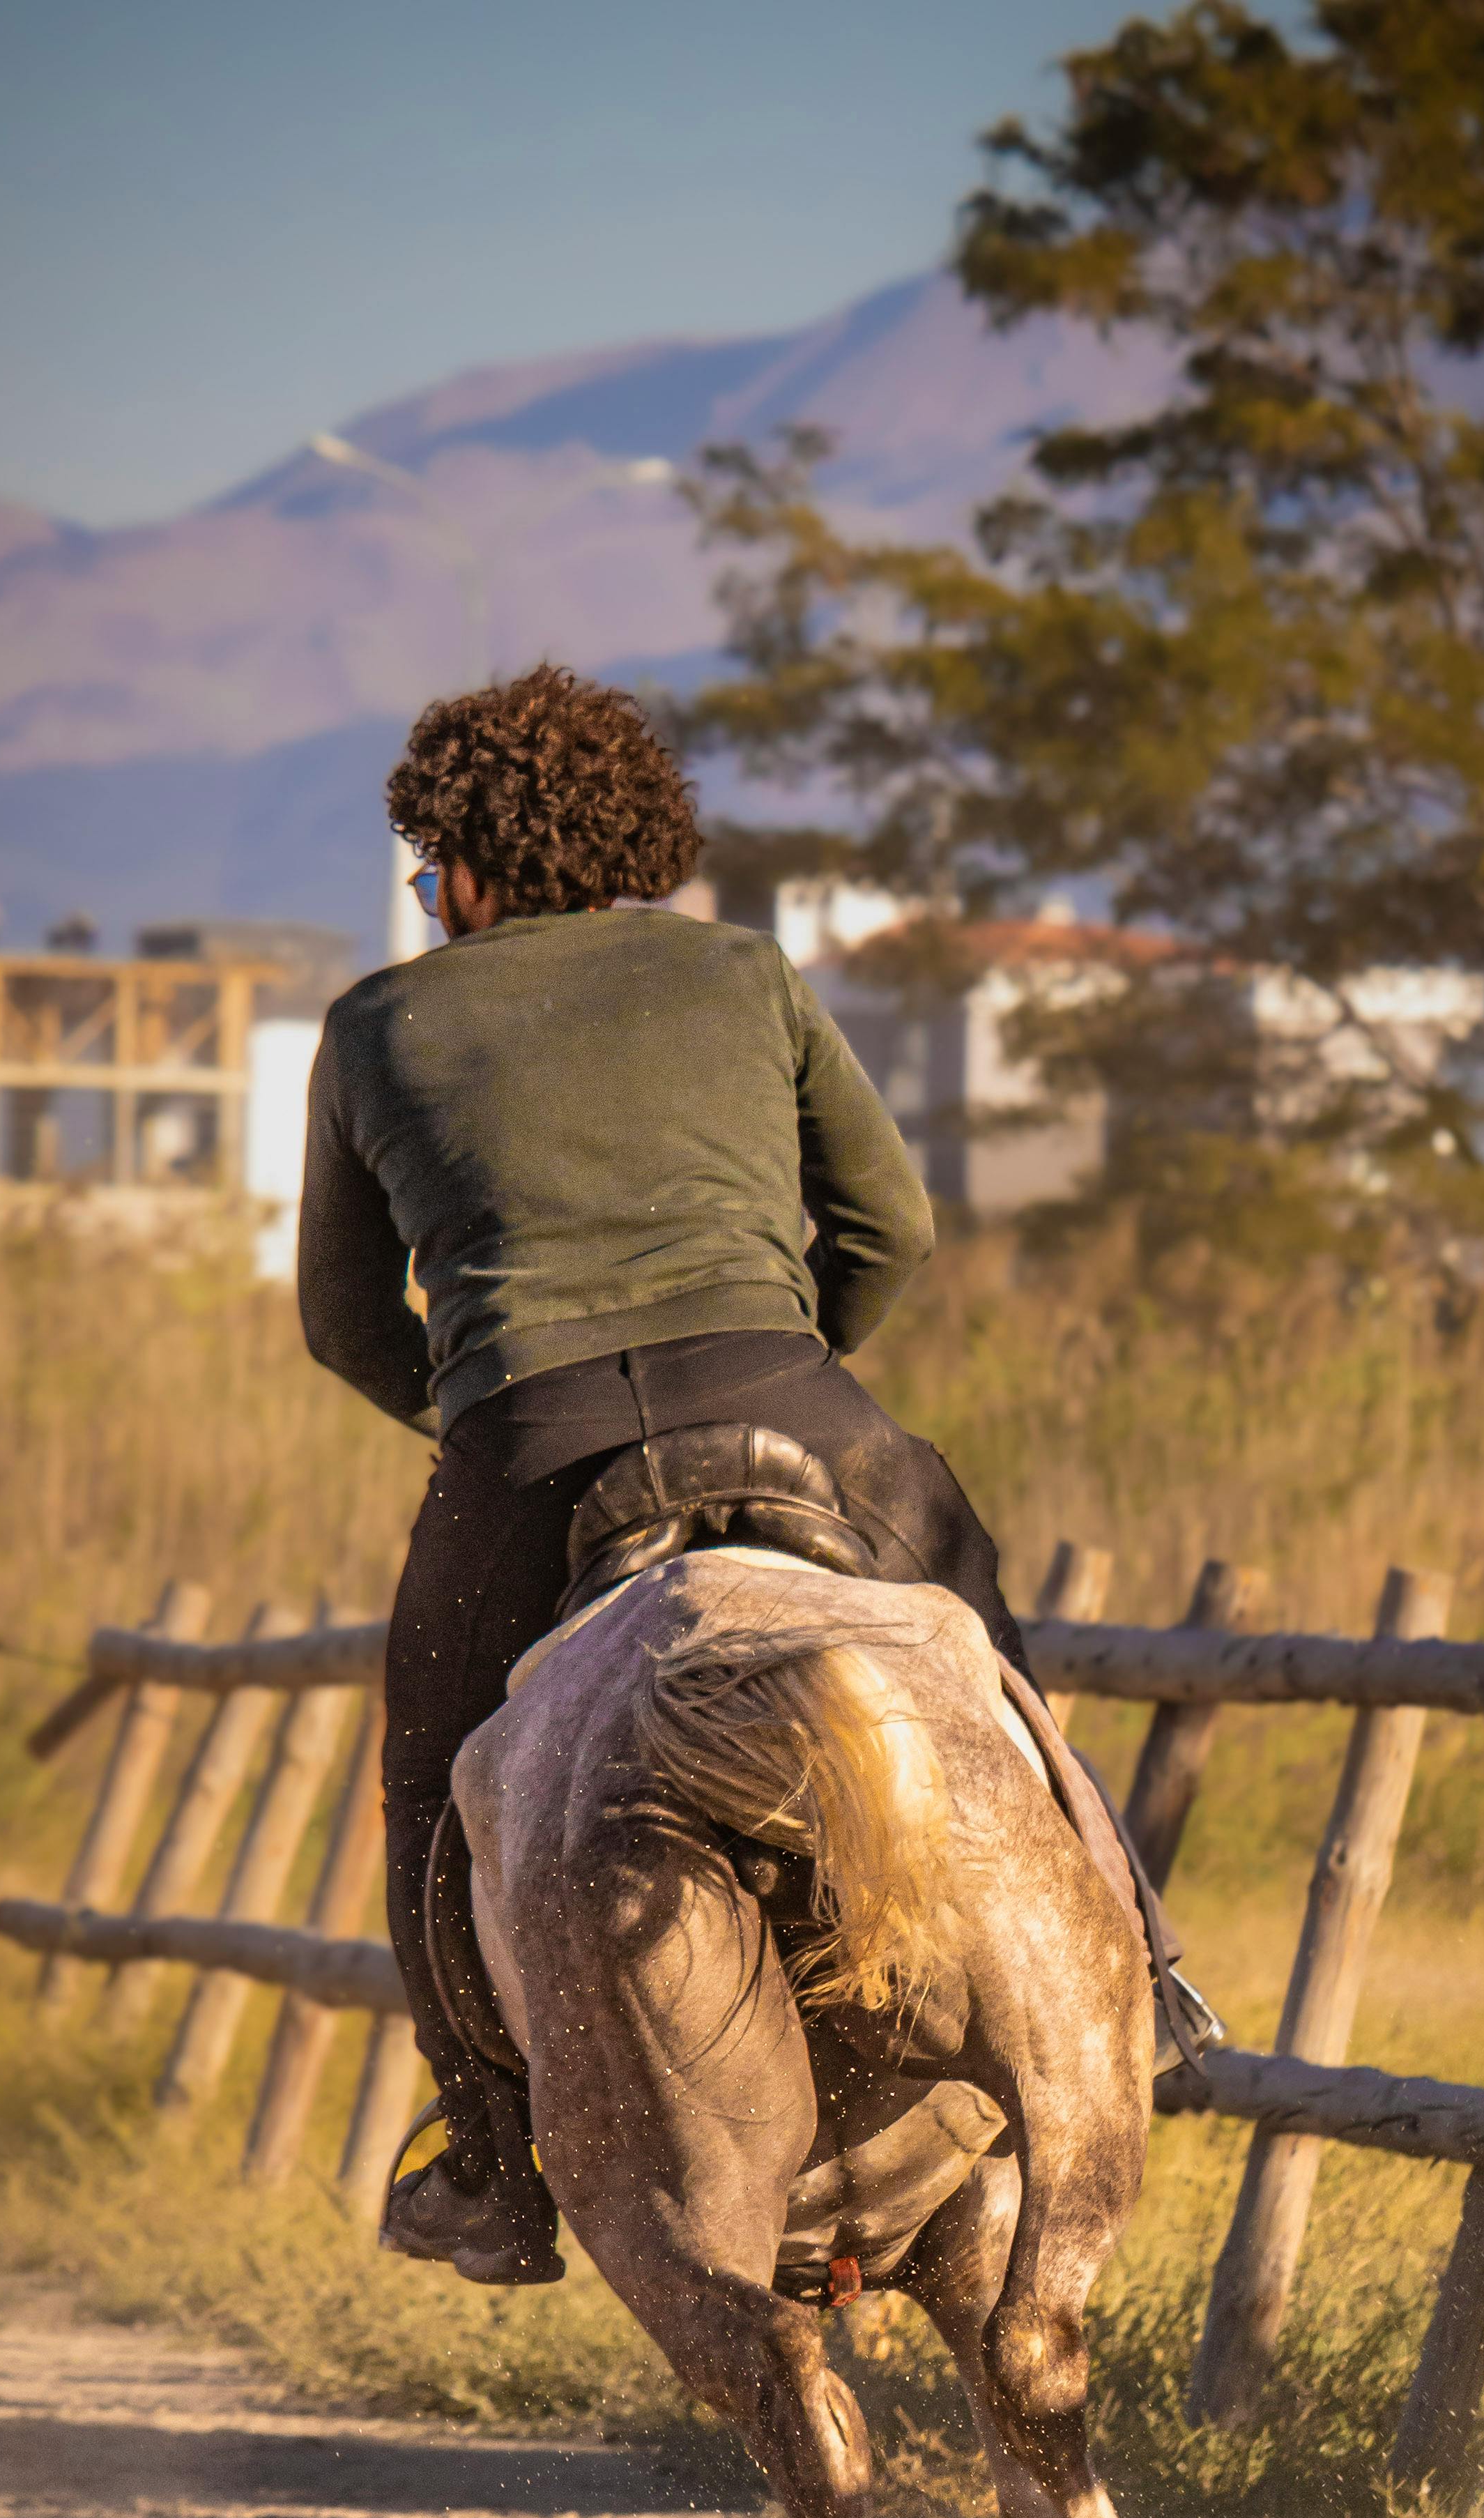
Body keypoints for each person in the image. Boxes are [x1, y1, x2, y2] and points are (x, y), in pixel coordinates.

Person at [298, 664, 1032, 2288]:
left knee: (434, 1763)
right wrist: (795, 1369)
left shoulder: (373, 1029)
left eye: (432, 872)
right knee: (982, 1655)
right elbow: (891, 1227)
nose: (430, 901)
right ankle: (1131, 1980)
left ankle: (489, 2148)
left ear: (473, 864)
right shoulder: (744, 976)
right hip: (792, 1399)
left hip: (531, 1446)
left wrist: (482, 1422)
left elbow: (343, 1323)